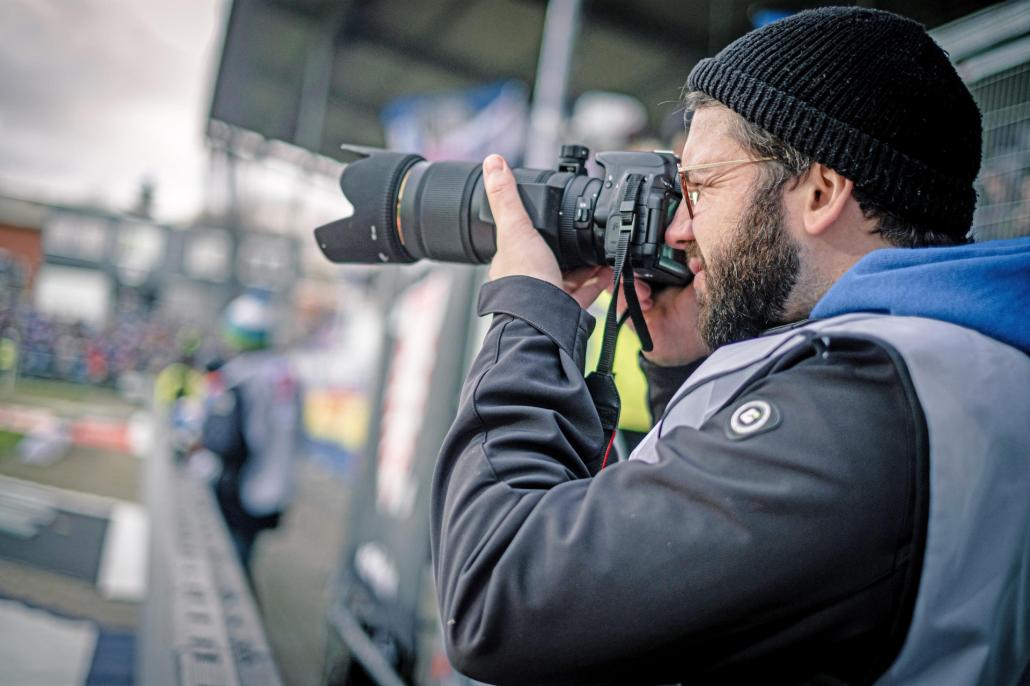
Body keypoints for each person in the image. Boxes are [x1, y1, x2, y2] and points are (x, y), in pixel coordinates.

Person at [430, 7, 1030, 685]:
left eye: (703, 187)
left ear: (823, 191)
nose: (680, 229)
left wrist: (526, 316)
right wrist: (681, 358)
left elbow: (500, 598)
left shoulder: (859, 409)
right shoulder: (953, 367)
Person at [201, 291, 303, 575]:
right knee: (244, 555)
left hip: (244, 484)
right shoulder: (287, 372)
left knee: (231, 564)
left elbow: (224, 441)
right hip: (276, 484)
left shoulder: (241, 376)